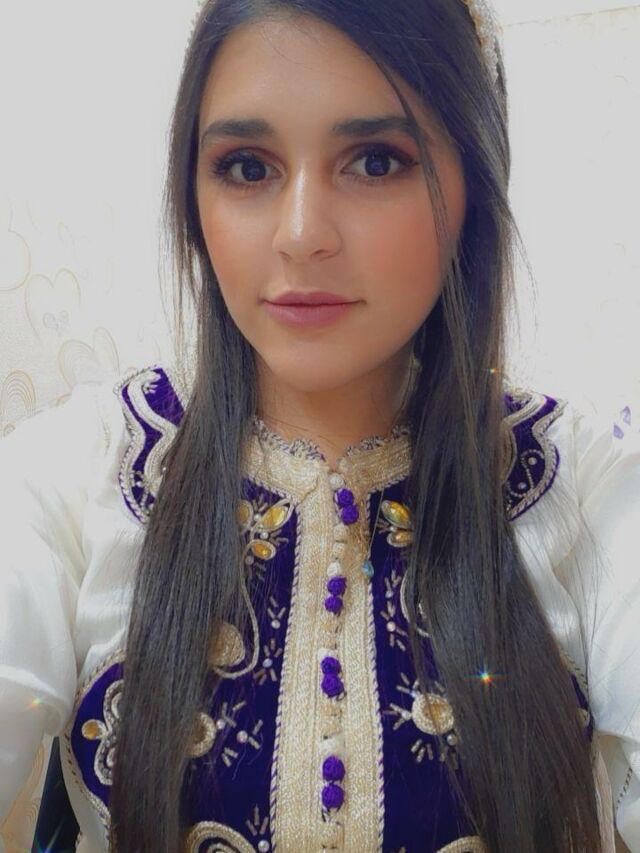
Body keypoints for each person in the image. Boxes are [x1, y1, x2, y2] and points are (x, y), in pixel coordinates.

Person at [1, 0, 639, 851]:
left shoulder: (587, 492)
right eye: (247, 167)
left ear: (472, 187)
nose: (301, 235)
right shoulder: (80, 476)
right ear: (193, 198)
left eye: (375, 161)